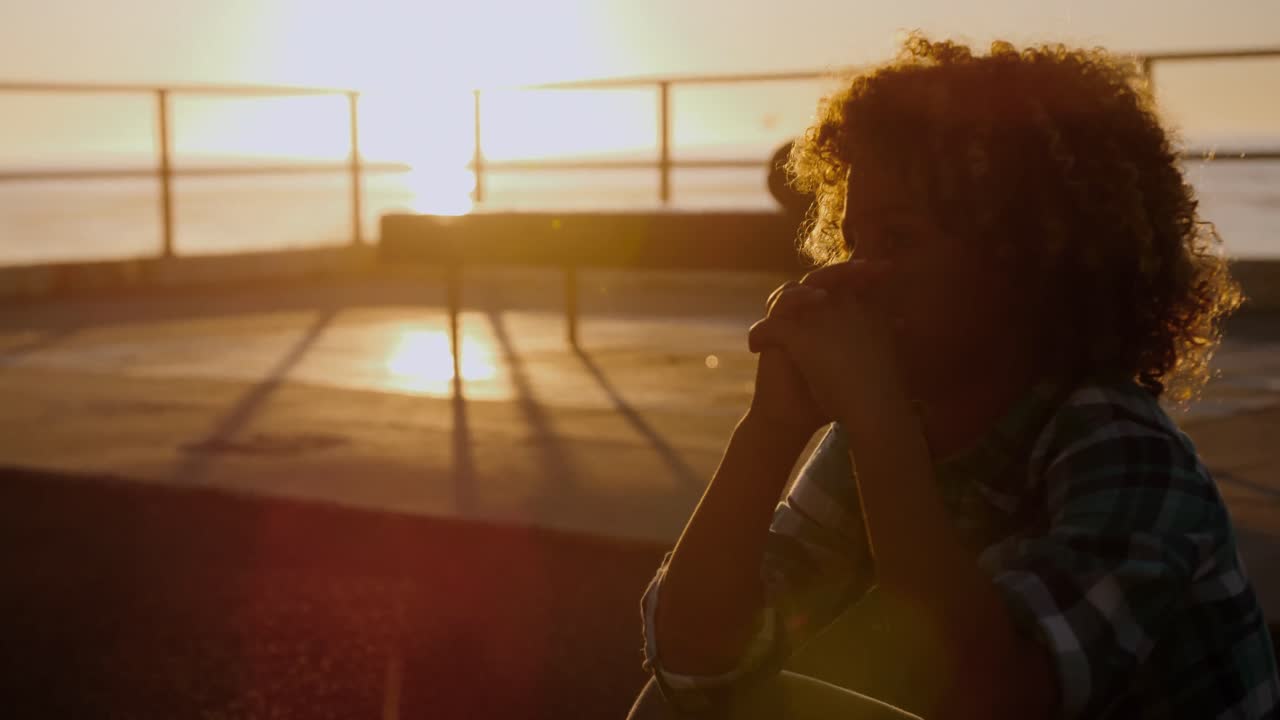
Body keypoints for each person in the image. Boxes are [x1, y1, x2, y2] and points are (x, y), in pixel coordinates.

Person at [628, 35, 1280, 719]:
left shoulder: (1127, 454)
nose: (846, 276)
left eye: (898, 240)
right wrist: (769, 430)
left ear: (1027, 263)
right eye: (852, 242)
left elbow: (986, 697)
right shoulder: (889, 427)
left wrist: (881, 425)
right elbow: (692, 656)